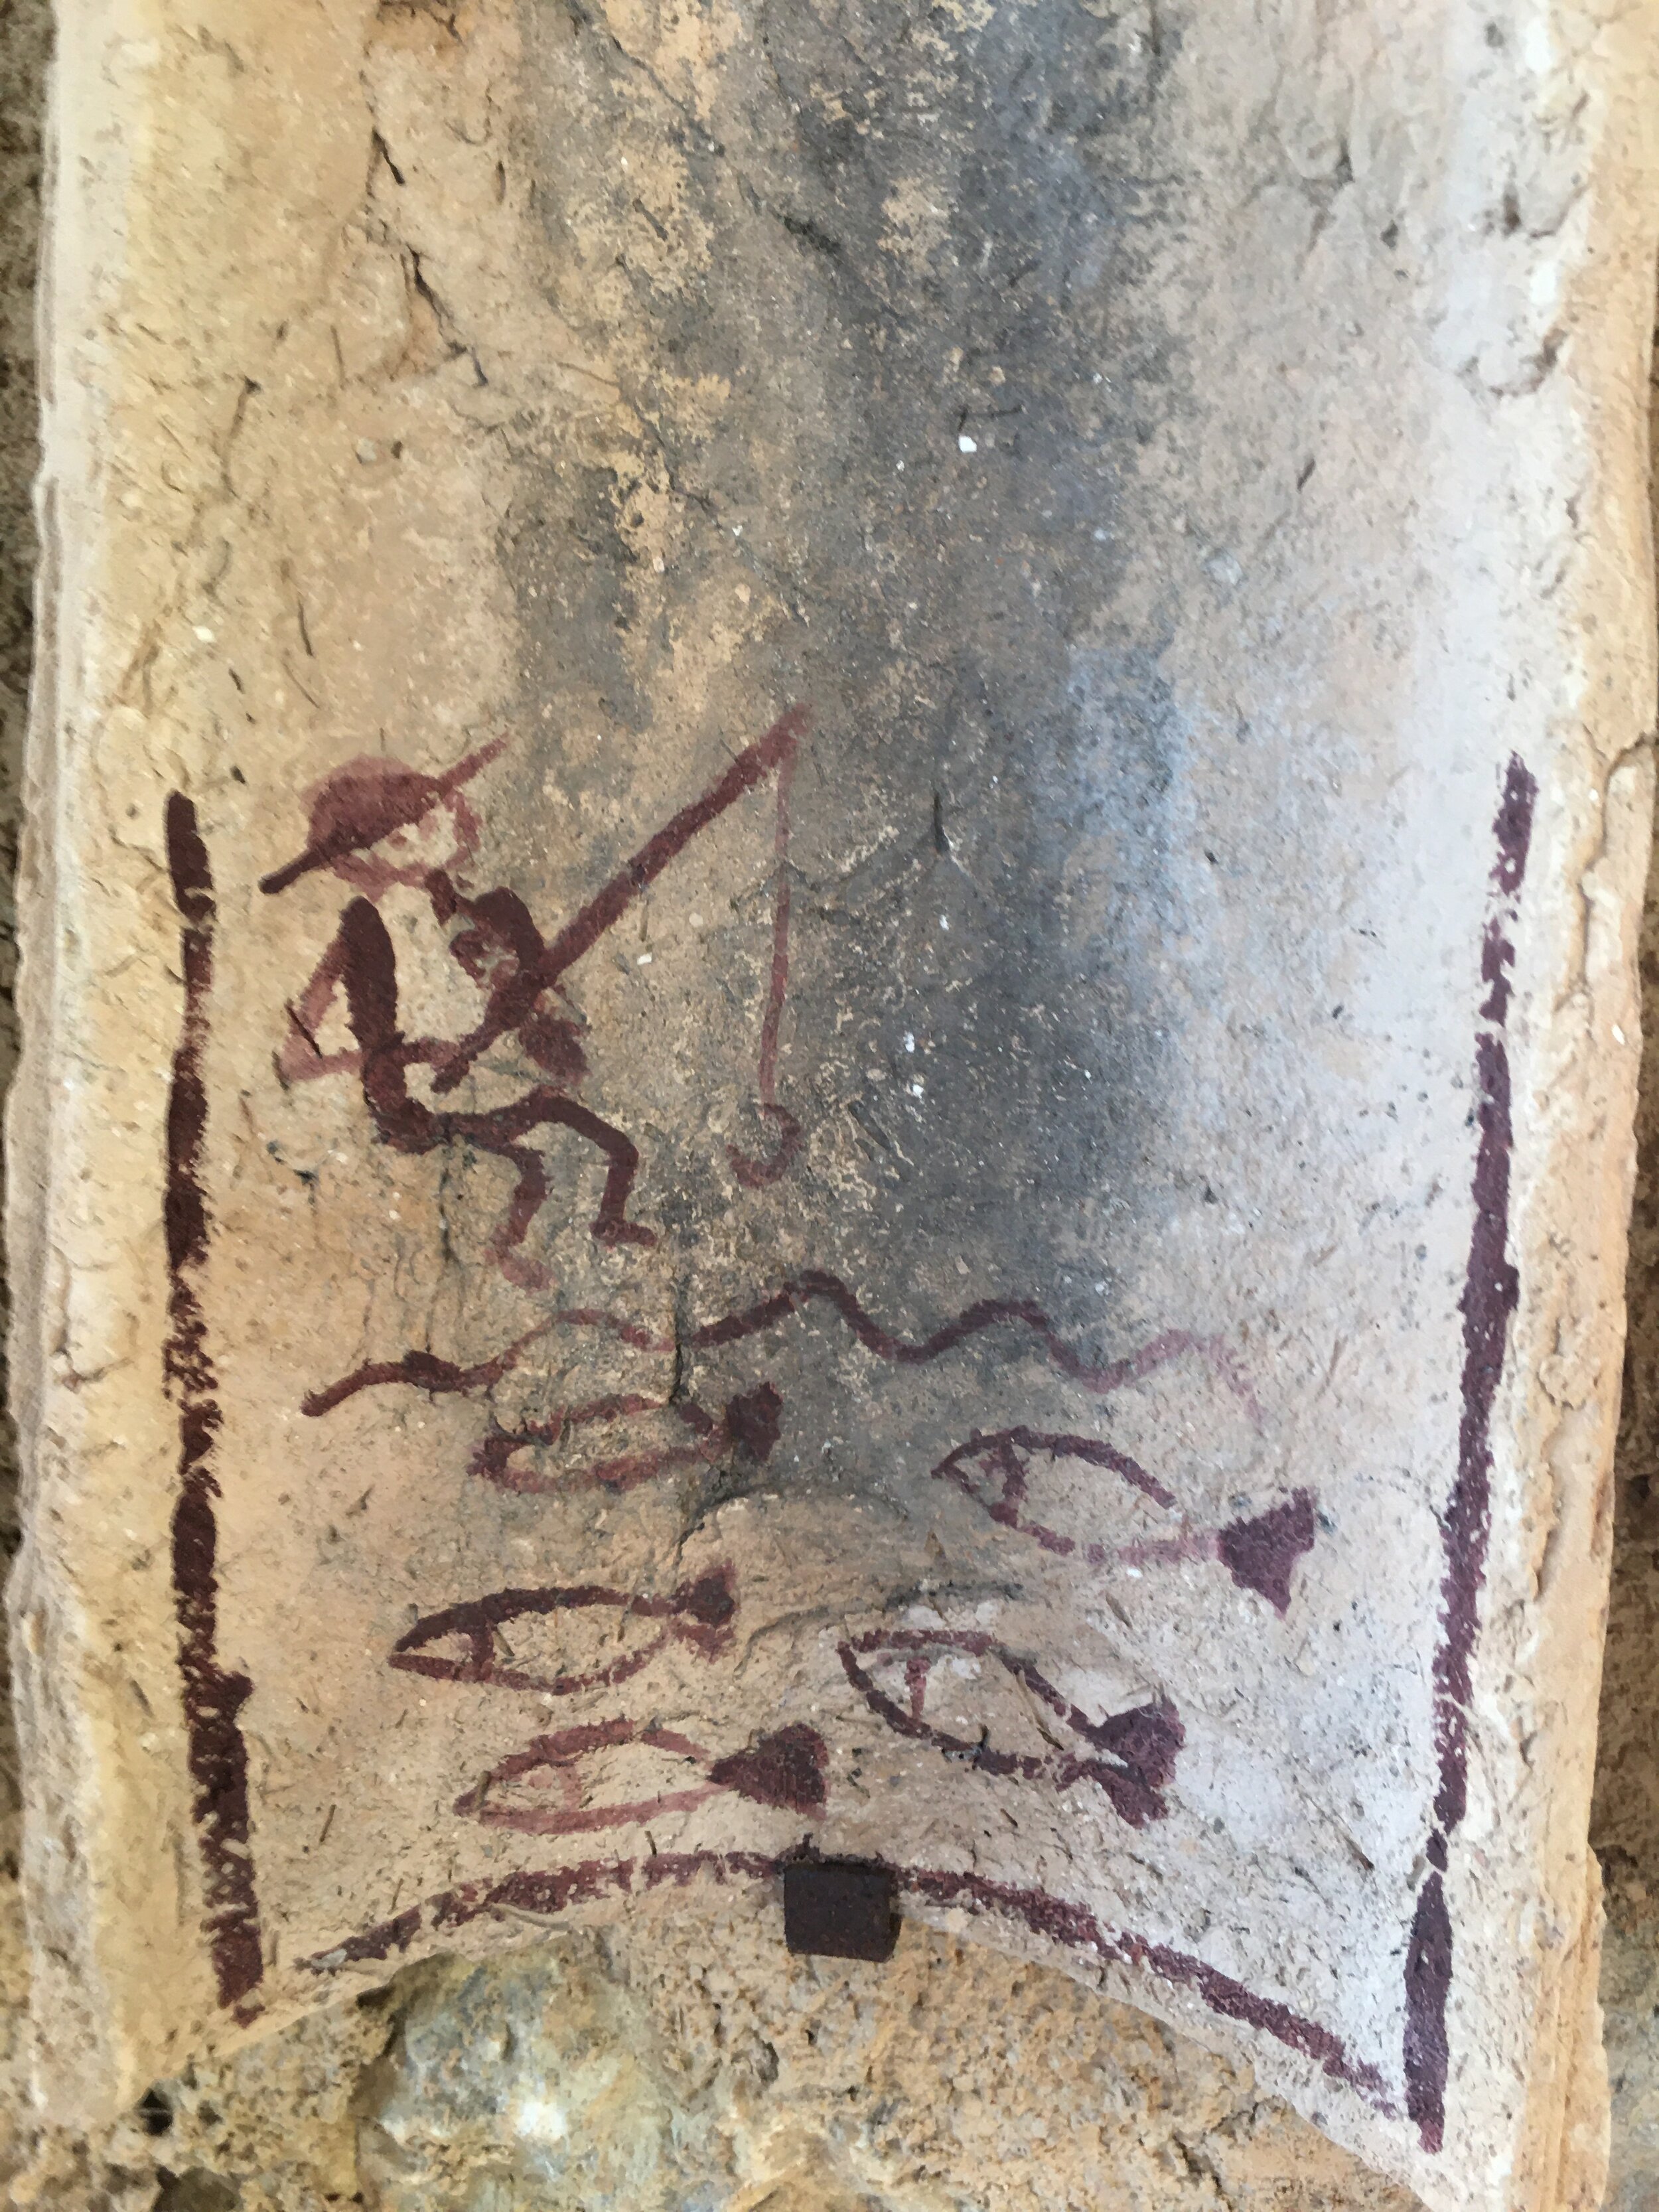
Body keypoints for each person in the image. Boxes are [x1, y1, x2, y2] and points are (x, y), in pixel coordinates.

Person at [261, 711, 806, 1288]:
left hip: (499, 983)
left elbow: (509, 995)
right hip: (489, 991)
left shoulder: (505, 998)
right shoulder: (502, 1001)